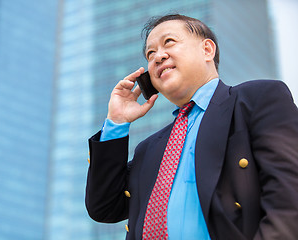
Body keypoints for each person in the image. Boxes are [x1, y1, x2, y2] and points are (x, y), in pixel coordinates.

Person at [85, 13, 298, 240]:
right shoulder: (148, 149)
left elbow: (289, 195)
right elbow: (104, 206)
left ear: (207, 50)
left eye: (169, 42)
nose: (158, 56)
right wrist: (116, 122)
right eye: (150, 53)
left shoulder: (256, 99)